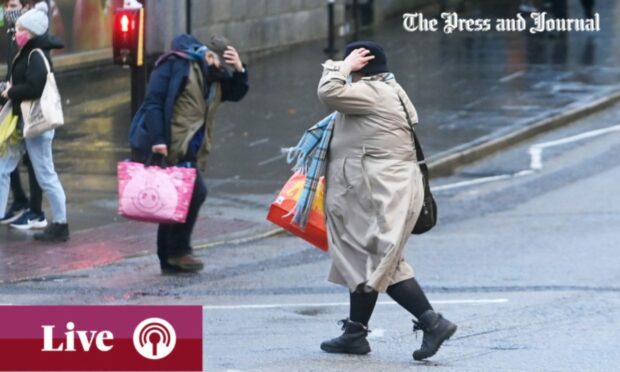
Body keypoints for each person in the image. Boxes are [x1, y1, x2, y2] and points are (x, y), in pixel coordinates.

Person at [316, 41, 457, 361]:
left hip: (377, 191)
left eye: (352, 62)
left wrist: (340, 66)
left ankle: (432, 322)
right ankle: (355, 333)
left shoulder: (371, 92)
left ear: (361, 65)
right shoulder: (388, 89)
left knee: (376, 262)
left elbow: (328, 93)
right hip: (386, 188)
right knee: (366, 257)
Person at [129, 34, 249, 274]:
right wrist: (158, 140)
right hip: (170, 144)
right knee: (194, 192)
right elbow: (154, 102)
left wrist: (239, 69)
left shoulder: (213, 79)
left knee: (176, 198)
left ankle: (170, 257)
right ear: (209, 56)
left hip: (190, 146)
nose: (222, 72)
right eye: (221, 65)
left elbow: (235, 92)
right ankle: (178, 251)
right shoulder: (176, 65)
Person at [0, 2, 68, 241]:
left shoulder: (36, 54)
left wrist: (12, 92)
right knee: (4, 168)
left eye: (20, 29)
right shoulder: (27, 51)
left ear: (30, 32)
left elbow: (35, 86)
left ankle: (60, 223)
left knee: (46, 175)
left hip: (37, 126)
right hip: (23, 123)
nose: (16, 33)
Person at [0, 0, 46, 230]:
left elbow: (36, 81)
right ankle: (20, 201)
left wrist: (12, 91)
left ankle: (37, 211)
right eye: (6, 6)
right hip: (16, 106)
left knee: (35, 162)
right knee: (10, 156)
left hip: (31, 110)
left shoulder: (34, 39)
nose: (9, 11)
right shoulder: (13, 34)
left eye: (14, 5)